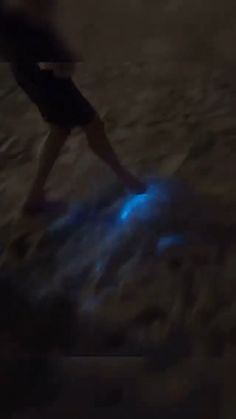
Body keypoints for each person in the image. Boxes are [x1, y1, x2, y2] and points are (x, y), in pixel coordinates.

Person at [0, 0, 145, 216]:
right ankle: (126, 179)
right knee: (92, 124)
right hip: (39, 71)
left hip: (29, 67)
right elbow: (37, 18)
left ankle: (35, 196)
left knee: (59, 128)